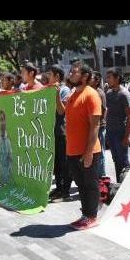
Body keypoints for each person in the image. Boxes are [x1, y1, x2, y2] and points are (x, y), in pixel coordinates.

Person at [64, 62, 103, 230]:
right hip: (72, 150)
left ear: (85, 76)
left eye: (74, 72)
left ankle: (92, 216)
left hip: (87, 150)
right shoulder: (73, 93)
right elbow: (63, 113)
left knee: (90, 184)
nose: (71, 74)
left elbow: (95, 125)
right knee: (81, 185)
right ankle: (85, 215)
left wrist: (88, 152)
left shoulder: (91, 94)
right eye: (71, 71)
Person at [46, 64, 73, 202]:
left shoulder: (64, 90)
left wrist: (56, 94)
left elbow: (62, 111)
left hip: (62, 131)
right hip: (53, 132)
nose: (48, 77)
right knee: (56, 163)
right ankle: (58, 188)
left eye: (50, 74)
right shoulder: (49, 89)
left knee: (64, 164)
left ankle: (65, 191)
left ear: (57, 76)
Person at [104, 67, 130, 182]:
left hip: (121, 132)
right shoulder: (109, 93)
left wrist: (127, 136)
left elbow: (129, 116)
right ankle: (119, 184)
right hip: (111, 132)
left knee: (124, 162)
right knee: (116, 160)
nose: (107, 80)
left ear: (117, 78)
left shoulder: (124, 94)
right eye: (107, 77)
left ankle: (128, 185)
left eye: (109, 77)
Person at [90, 71, 108, 177]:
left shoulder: (99, 93)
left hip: (99, 127)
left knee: (100, 153)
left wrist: (99, 122)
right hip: (93, 126)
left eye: (91, 78)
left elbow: (104, 110)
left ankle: (101, 176)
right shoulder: (90, 91)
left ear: (97, 81)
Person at [0, 109, 13, 186]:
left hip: (8, 177)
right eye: (1, 120)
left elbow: (11, 159)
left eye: (3, 120)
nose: (2, 123)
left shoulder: (8, 141)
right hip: (1, 178)